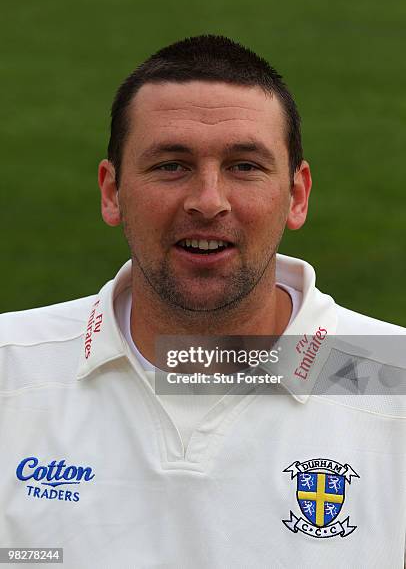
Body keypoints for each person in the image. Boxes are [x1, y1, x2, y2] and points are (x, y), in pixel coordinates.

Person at [1, 35, 405, 569]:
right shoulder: (12, 368)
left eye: (244, 166)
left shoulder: (393, 383)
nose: (208, 202)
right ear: (112, 192)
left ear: (297, 196)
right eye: (171, 165)